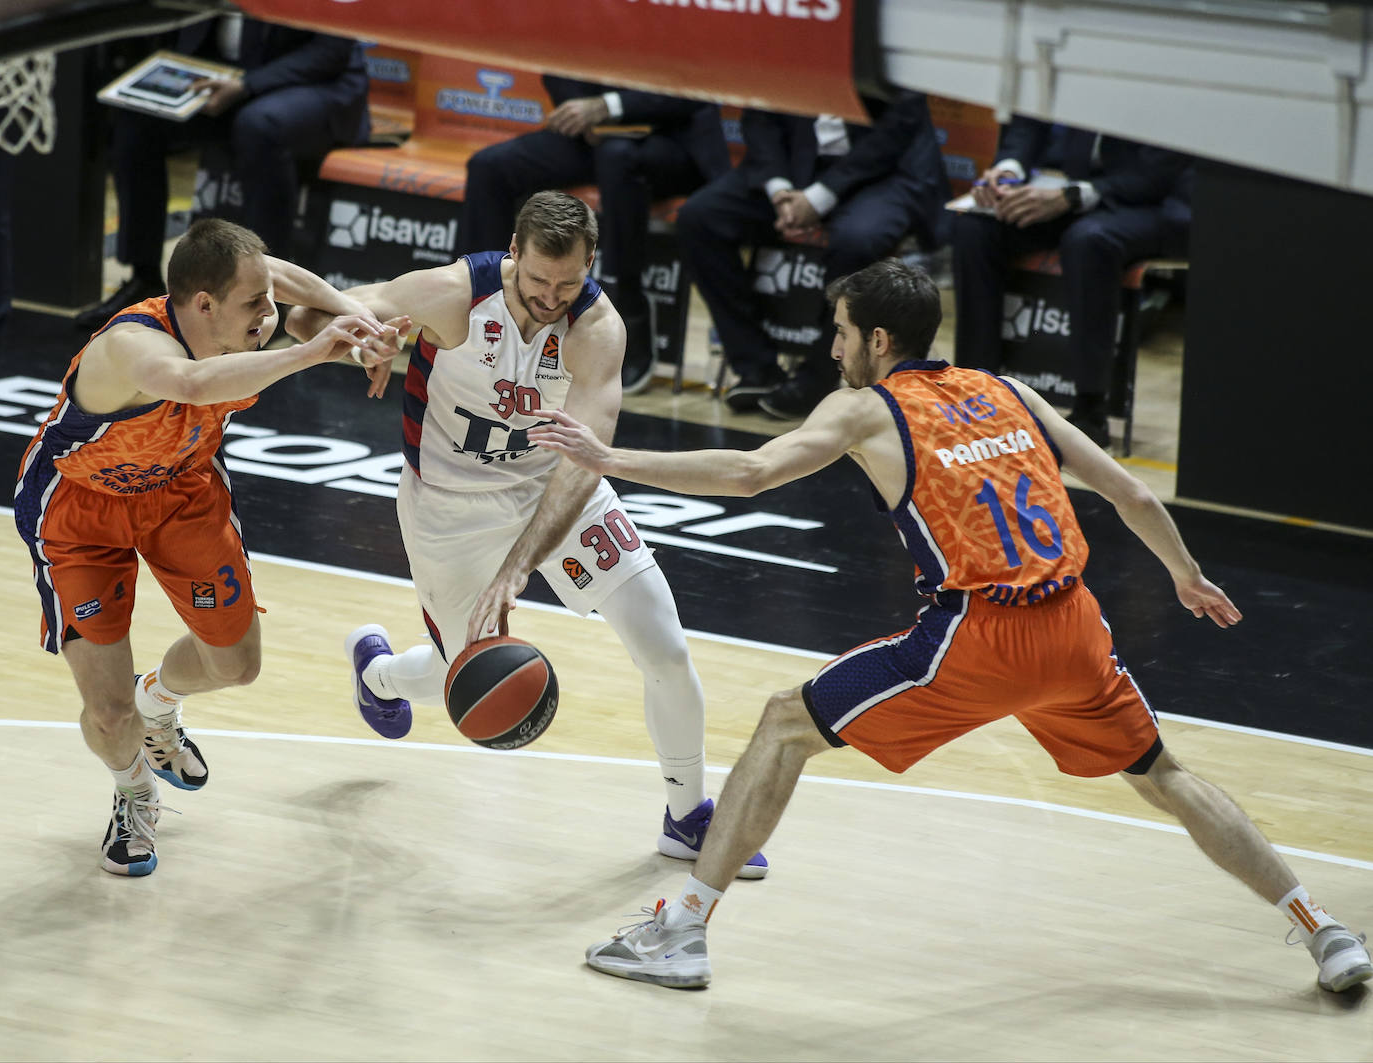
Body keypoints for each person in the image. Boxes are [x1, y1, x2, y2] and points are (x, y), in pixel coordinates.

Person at [530, 258, 1372, 994]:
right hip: (1078, 628)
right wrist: (1186, 575)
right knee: (1165, 772)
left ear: (881, 341)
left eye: (842, 333)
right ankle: (1322, 927)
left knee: (786, 723)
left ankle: (683, 932)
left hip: (980, 633)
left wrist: (611, 460)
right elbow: (1136, 495)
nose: (833, 348)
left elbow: (752, 470)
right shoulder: (1010, 391)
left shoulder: (865, 409)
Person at [285, 190, 768, 878]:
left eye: (567, 282)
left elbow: (585, 460)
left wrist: (519, 568)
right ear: (513, 253)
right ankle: (381, 674)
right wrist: (361, 339)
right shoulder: (451, 294)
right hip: (450, 507)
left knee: (661, 636)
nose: (551, 296)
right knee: (471, 675)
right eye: (538, 279)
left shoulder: (596, 330)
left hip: (556, 489)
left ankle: (687, 816)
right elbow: (312, 314)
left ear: (590, 263)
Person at [14, 218, 406, 877]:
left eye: (266, 301)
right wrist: (319, 351)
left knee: (236, 664)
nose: (270, 313)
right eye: (255, 305)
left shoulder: (240, 305)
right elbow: (193, 385)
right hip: (82, 509)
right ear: (203, 305)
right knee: (108, 715)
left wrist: (356, 321)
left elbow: (277, 276)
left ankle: (159, 701)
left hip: (181, 488)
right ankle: (135, 792)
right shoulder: (131, 348)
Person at [75, 13, 370, 329]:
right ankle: (142, 274)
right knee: (137, 122)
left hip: (316, 84)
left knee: (258, 125)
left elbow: (330, 52)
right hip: (224, 75)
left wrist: (246, 85)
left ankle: (270, 296)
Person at [675, 92, 950, 420]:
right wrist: (780, 192)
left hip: (883, 172)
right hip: (795, 165)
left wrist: (819, 198)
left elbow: (895, 131)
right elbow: (760, 112)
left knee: (858, 240)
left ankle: (818, 377)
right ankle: (755, 367)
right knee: (700, 218)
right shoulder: (782, 42)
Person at [458, 76, 730, 394]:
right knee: (488, 166)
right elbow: (559, 58)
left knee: (618, 158)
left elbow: (694, 89)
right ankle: (487, 305)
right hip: (593, 137)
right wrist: (580, 112)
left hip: (670, 137)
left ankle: (625, 308)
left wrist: (609, 107)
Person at [951, 117, 1193, 448]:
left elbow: (1160, 173)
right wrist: (1009, 171)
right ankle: (977, 395)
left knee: (1089, 241)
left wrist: (1074, 195)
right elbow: (1031, 117)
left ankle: (1091, 412)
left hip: (1157, 201)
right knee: (976, 229)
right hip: (1077, 189)